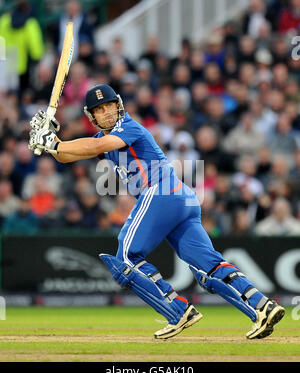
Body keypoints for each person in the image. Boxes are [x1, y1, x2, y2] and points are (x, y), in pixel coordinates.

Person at [28, 84, 285, 340]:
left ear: (119, 105)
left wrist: (54, 144)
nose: (106, 112)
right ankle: (262, 306)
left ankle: (177, 310)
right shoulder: (101, 140)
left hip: (161, 192)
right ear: (92, 116)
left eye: (109, 106)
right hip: (180, 199)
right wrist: (51, 142)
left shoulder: (128, 127)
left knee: (127, 257)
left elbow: (95, 147)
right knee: (208, 266)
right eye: (99, 109)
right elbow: (67, 156)